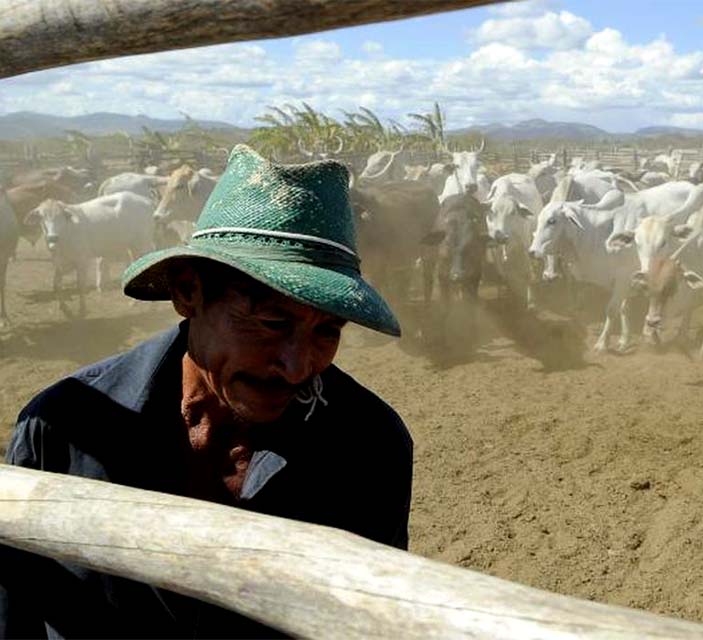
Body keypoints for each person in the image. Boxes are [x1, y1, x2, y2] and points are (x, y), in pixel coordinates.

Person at [0, 145, 413, 638]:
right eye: (270, 321)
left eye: (328, 331)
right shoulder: (62, 430)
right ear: (187, 291)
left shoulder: (369, 446)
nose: (297, 366)